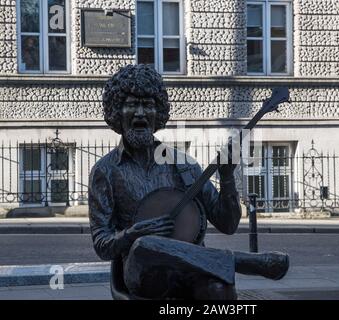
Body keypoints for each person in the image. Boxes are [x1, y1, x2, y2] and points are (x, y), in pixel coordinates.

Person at [88, 64, 289, 300]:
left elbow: (227, 224)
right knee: (145, 244)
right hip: (145, 274)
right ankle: (242, 262)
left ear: (158, 113)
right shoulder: (106, 171)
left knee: (220, 289)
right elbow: (102, 244)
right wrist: (132, 234)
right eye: (132, 104)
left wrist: (226, 177)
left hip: (192, 270)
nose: (141, 112)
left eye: (149, 105)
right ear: (117, 111)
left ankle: (224, 263)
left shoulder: (183, 166)